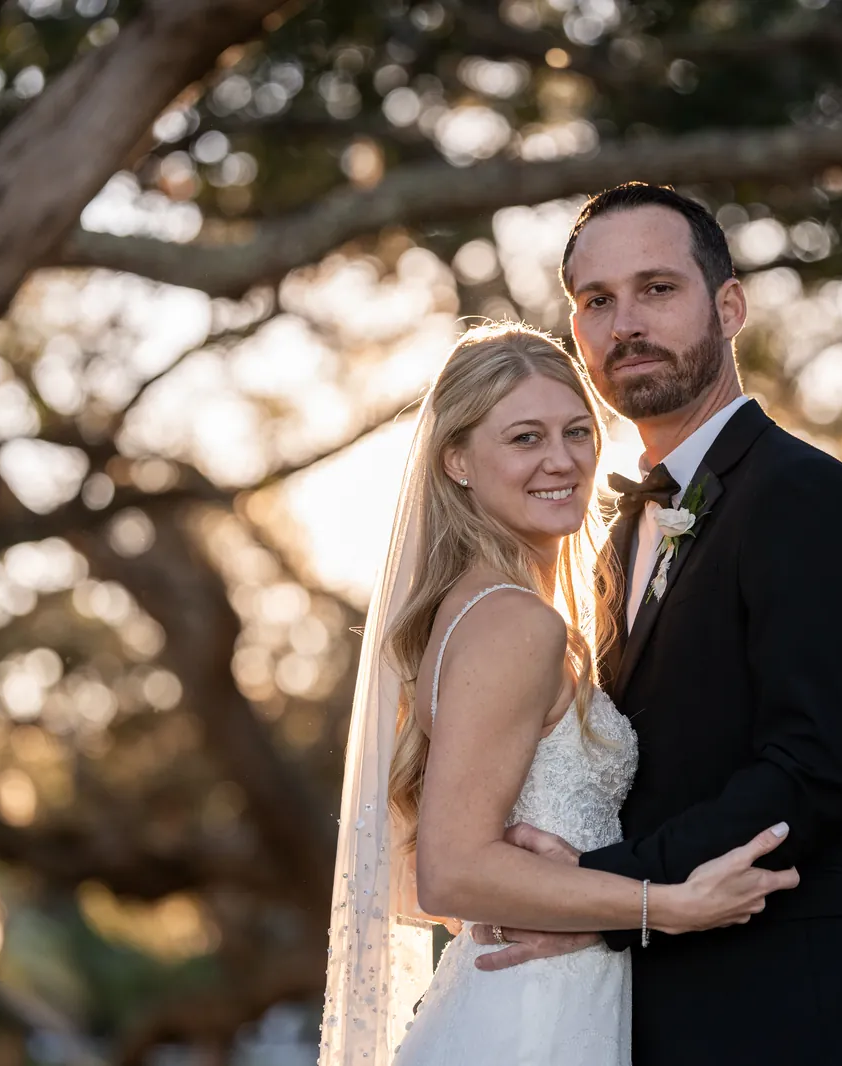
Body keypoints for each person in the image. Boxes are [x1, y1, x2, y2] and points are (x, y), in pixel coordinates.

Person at [471, 183, 842, 1064]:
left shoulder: (805, 497)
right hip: (644, 1012)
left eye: (657, 289)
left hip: (792, 1014)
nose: (624, 323)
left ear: (729, 305)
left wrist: (600, 894)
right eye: (596, 302)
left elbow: (820, 770)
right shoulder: (606, 537)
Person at [317, 322, 799, 1066]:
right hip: (531, 1019)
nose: (562, 459)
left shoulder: (481, 607)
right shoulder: (514, 623)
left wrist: (565, 877)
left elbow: (436, 866)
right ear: (457, 461)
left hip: (551, 992)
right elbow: (451, 872)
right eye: (524, 439)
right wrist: (665, 905)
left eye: (577, 430)